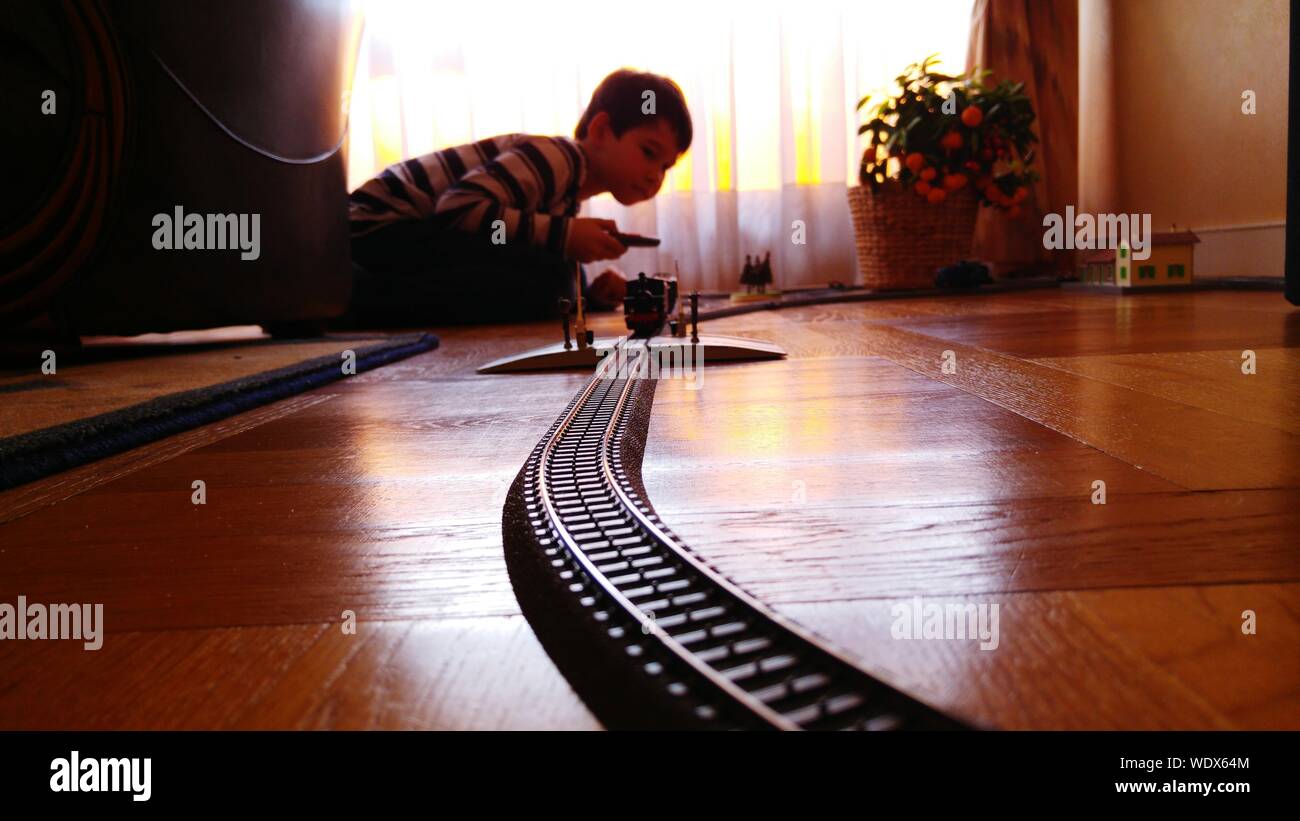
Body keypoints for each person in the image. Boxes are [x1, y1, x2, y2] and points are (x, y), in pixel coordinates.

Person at [338, 68, 692, 327]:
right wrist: (566, 236)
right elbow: (458, 208)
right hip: (374, 229)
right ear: (600, 130)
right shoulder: (556, 159)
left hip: (399, 237)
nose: (654, 176)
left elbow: (513, 239)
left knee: (551, 275)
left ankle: (358, 299)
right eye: (649, 153)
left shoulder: (567, 191)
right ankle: (355, 301)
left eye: (665, 167)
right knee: (549, 278)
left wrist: (591, 296)